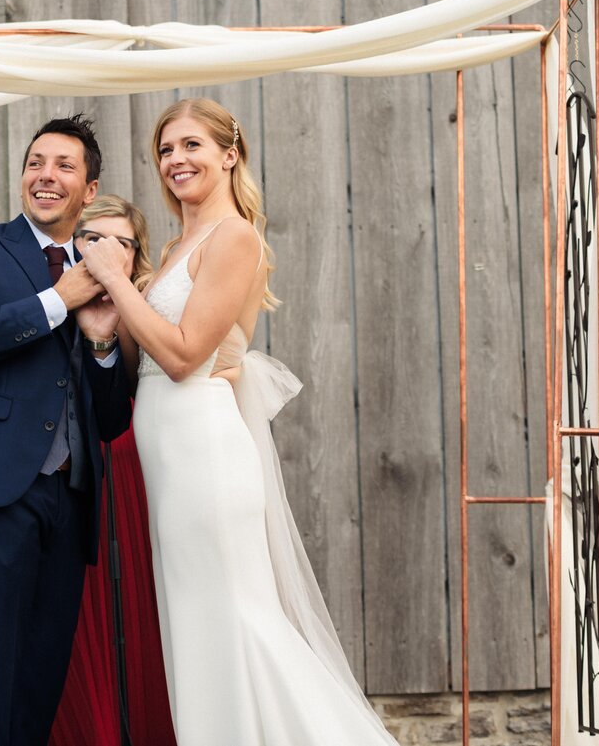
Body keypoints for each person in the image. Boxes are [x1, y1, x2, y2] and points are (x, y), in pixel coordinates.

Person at [81, 98, 400, 745]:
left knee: (235, 620)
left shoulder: (235, 237)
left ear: (230, 153)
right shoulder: (177, 246)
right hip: (168, 459)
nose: (176, 160)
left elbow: (182, 355)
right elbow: (163, 353)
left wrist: (115, 279)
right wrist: (101, 335)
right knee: (196, 627)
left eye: (192, 145)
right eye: (166, 150)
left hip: (205, 454)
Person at [0, 115, 132, 746]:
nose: (46, 175)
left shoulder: (103, 269)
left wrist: (101, 346)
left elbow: (112, 419)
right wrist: (58, 300)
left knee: (39, 686)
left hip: (69, 499)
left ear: (89, 189)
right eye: (37, 162)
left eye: (65, 166)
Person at [50, 195, 178, 746]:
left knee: (148, 602)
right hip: (63, 476)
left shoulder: (150, 304)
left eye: (119, 242)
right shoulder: (48, 302)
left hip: (134, 464)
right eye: (90, 238)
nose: (103, 252)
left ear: (135, 256)